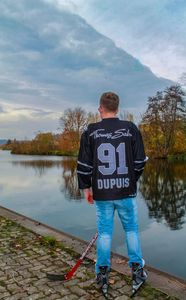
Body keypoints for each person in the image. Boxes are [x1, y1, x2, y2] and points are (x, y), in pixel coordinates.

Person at [77, 92, 148, 295]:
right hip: (126, 191)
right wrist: (130, 181)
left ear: (101, 108)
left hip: (102, 193)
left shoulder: (91, 131)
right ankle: (137, 271)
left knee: (105, 233)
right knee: (132, 231)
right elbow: (140, 161)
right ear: (117, 108)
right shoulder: (130, 129)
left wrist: (86, 189)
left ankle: (102, 273)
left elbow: (83, 165)